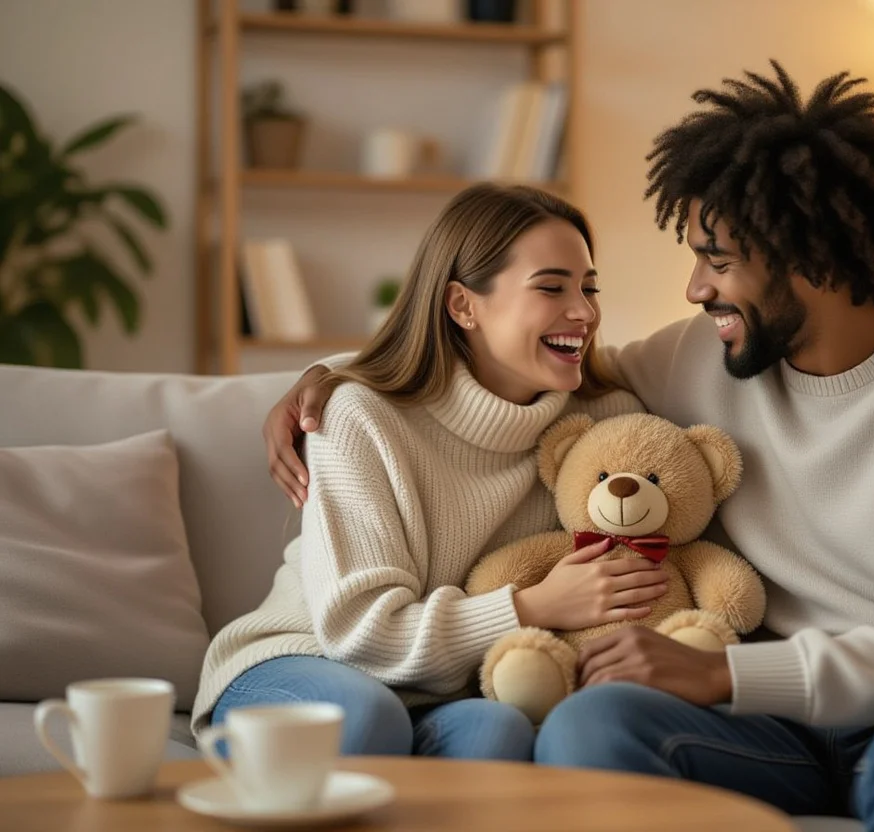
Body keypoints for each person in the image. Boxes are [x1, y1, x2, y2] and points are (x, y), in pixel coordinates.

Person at [263, 64, 874, 831]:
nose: (696, 288)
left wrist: (729, 677)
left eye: (719, 262)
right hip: (787, 727)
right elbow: (523, 365)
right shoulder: (706, 353)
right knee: (594, 721)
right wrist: (339, 377)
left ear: (808, 258)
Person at [191, 183, 668, 761]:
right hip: (309, 658)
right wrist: (534, 607)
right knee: (368, 720)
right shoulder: (359, 416)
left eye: (589, 289)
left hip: (450, 689)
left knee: (501, 734)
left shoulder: (603, 424)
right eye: (551, 288)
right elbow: (358, 633)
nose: (584, 312)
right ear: (463, 305)